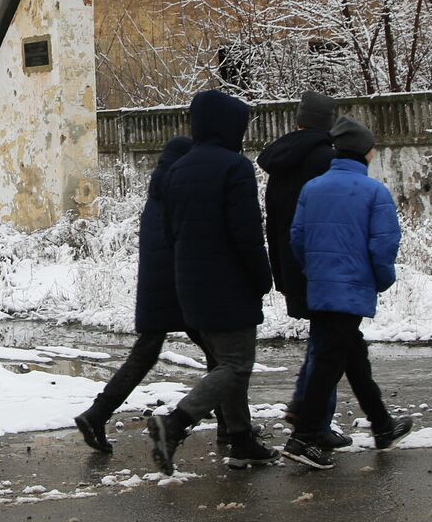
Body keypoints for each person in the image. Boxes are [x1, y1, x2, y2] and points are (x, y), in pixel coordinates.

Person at [144, 90, 277, 473]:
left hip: (190, 283)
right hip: (229, 283)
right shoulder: (234, 167)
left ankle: (240, 438)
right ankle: (174, 425)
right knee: (235, 365)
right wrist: (261, 276)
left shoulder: (180, 168)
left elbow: (170, 231)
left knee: (223, 362)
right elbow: (247, 232)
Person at [72, 136, 229, 453]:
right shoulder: (180, 193)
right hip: (179, 287)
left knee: (153, 354)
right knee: (223, 358)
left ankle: (97, 414)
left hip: (157, 288)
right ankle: (231, 429)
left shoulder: (157, 193)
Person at [283, 117, 415, 470]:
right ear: (366, 153)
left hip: (322, 285)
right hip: (353, 286)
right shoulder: (374, 193)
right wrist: (380, 280)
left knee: (353, 357)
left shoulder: (312, 188)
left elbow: (297, 237)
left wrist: (316, 271)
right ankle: (303, 438)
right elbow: (384, 245)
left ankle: (383, 426)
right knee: (328, 362)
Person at [258, 90, 349, 449]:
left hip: (291, 263)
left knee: (326, 340)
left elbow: (274, 221)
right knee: (331, 343)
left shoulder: (280, 160)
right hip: (323, 264)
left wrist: (279, 269)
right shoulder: (327, 160)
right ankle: (315, 425)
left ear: (299, 120)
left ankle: (304, 407)